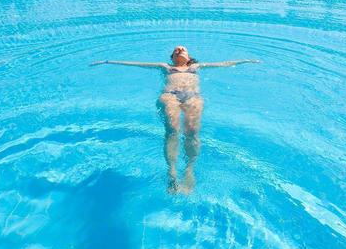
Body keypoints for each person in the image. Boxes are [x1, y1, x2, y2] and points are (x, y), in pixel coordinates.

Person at [92, 46, 259, 193]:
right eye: (175, 51)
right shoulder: (165, 67)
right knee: (172, 130)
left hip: (192, 96)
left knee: (192, 132)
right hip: (170, 96)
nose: (179, 50)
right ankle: (171, 171)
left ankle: (188, 170)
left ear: (189, 56)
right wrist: (108, 61)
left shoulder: (196, 66)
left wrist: (245, 60)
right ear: (172, 58)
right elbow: (137, 63)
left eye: (182, 49)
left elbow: (224, 63)